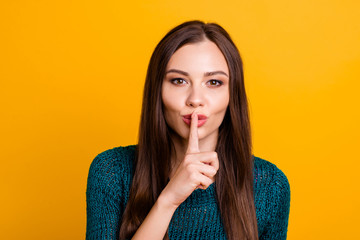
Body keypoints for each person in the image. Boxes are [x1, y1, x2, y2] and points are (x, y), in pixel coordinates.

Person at [86, 20, 290, 240]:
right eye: (179, 80)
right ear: (158, 92)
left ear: (233, 94)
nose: (195, 100)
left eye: (213, 82)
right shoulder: (111, 172)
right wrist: (169, 199)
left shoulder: (270, 186)